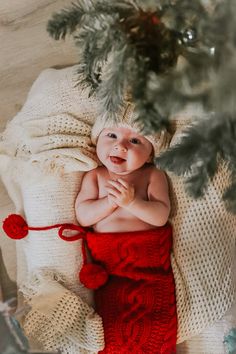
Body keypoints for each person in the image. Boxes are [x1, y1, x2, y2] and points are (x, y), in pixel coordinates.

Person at [75, 103, 177, 354]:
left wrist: (132, 202)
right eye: (111, 135)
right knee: (112, 325)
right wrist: (110, 202)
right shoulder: (96, 177)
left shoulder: (152, 176)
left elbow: (160, 215)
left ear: (151, 153)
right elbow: (84, 216)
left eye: (135, 141)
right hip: (111, 270)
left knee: (157, 321)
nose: (120, 146)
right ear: (97, 139)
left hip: (149, 266)